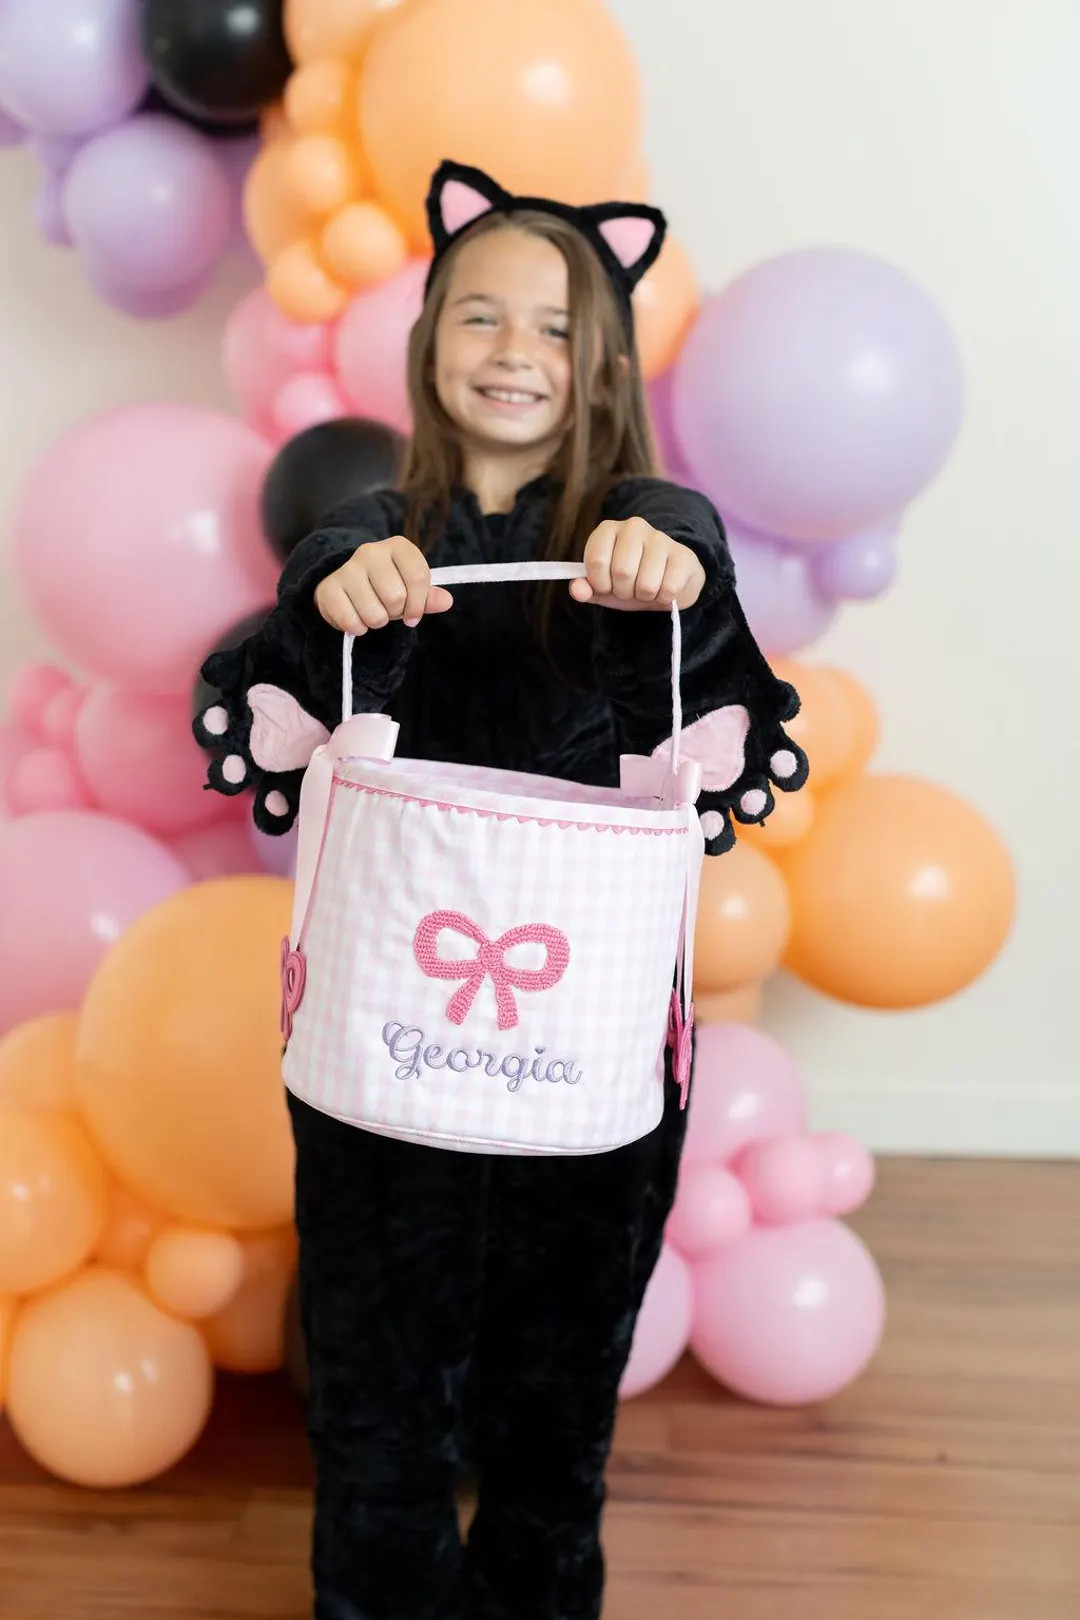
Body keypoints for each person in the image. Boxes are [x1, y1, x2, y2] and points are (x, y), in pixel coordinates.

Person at [195, 160, 808, 1620]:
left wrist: (673, 570)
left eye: (553, 329)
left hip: (590, 1062)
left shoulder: (647, 531)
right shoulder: (370, 528)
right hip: (380, 1056)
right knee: (376, 1389)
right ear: (426, 343)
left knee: (554, 1402)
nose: (514, 354)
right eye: (482, 317)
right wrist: (342, 584)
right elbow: (297, 646)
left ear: (602, 364)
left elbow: (711, 651)